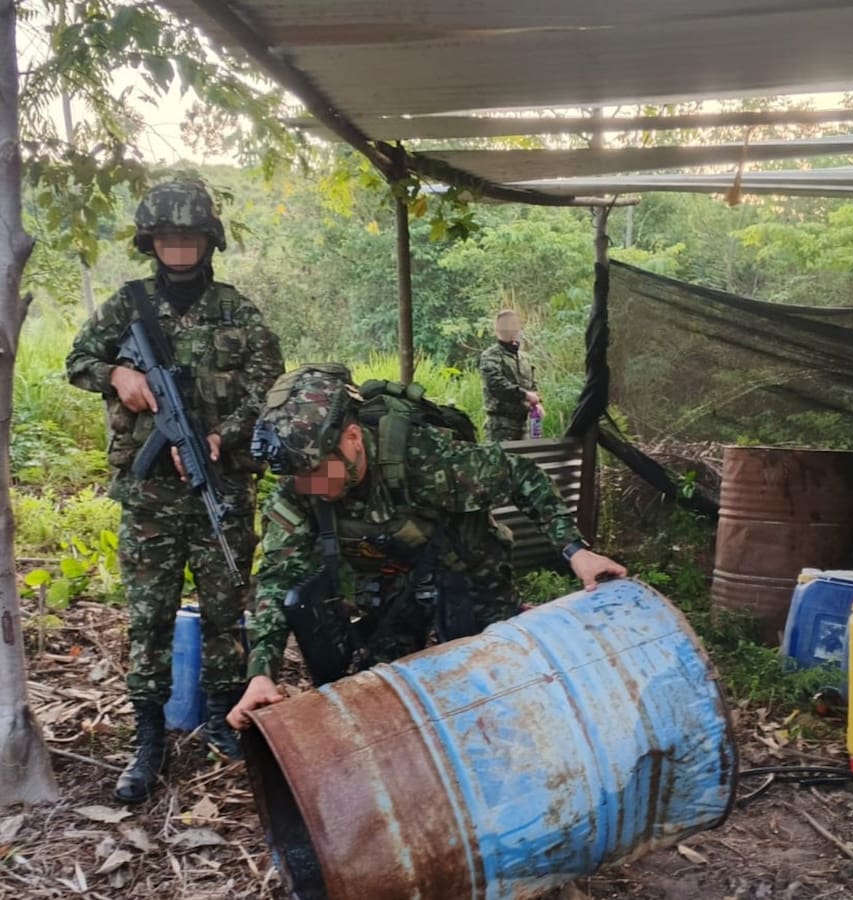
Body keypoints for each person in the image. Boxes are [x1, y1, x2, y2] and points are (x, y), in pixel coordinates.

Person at [226, 364, 626, 729]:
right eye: (297, 479)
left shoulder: (425, 460)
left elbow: (521, 476)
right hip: (395, 585)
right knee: (379, 695)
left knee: (497, 680)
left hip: (468, 570)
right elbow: (277, 579)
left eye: (314, 474)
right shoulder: (300, 482)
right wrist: (261, 671)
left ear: (352, 440)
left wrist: (576, 552)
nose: (307, 488)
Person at [65, 180, 284, 803]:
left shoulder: (237, 310)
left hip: (220, 481)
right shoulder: (125, 306)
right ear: (151, 242)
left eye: (188, 236)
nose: (178, 247)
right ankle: (148, 734)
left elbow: (266, 388)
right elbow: (77, 360)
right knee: (149, 617)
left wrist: (223, 437)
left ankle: (220, 714)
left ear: (208, 241)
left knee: (223, 608)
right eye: (166, 237)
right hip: (151, 498)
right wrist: (117, 373)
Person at [479, 309, 540, 442]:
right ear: (497, 330)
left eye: (514, 325)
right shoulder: (490, 356)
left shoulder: (524, 358)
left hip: (524, 425)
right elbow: (496, 385)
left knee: (527, 460)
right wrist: (525, 395)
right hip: (500, 426)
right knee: (501, 462)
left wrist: (536, 403)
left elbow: (532, 384)